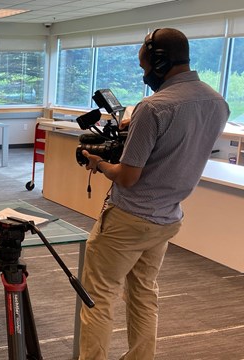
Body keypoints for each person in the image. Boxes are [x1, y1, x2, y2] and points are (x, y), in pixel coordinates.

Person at [78, 28, 229, 360]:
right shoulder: (218, 103)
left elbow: (128, 177)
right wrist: (137, 134)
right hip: (167, 217)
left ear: (160, 61)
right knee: (144, 294)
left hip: (127, 220)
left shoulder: (153, 107)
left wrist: (99, 163)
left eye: (145, 67)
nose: (144, 75)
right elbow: (176, 146)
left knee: (98, 296)